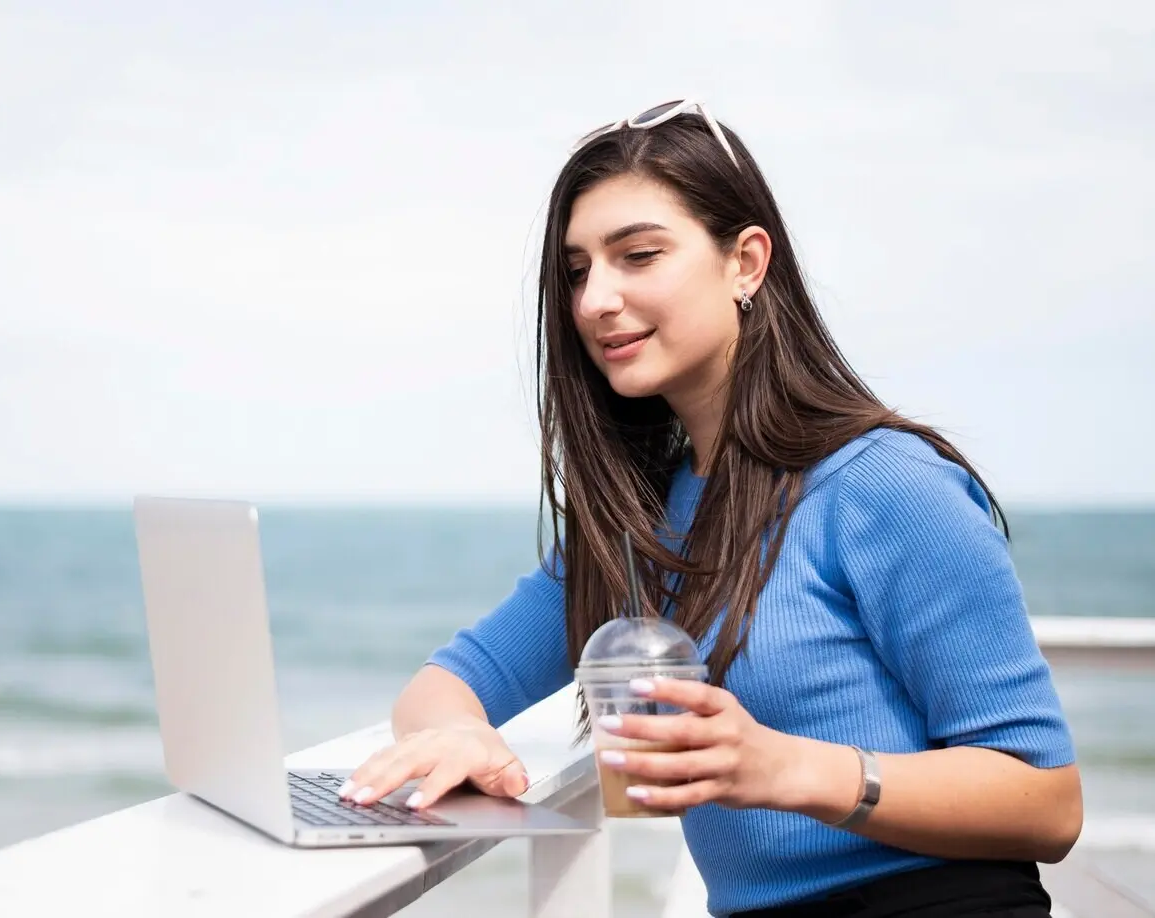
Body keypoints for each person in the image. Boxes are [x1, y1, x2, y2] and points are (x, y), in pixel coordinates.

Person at [340, 99, 1082, 918]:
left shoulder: (886, 483)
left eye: (639, 255)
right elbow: (450, 680)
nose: (594, 300)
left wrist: (786, 768)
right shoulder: (635, 523)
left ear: (746, 262)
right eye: (579, 270)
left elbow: (1046, 802)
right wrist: (460, 733)